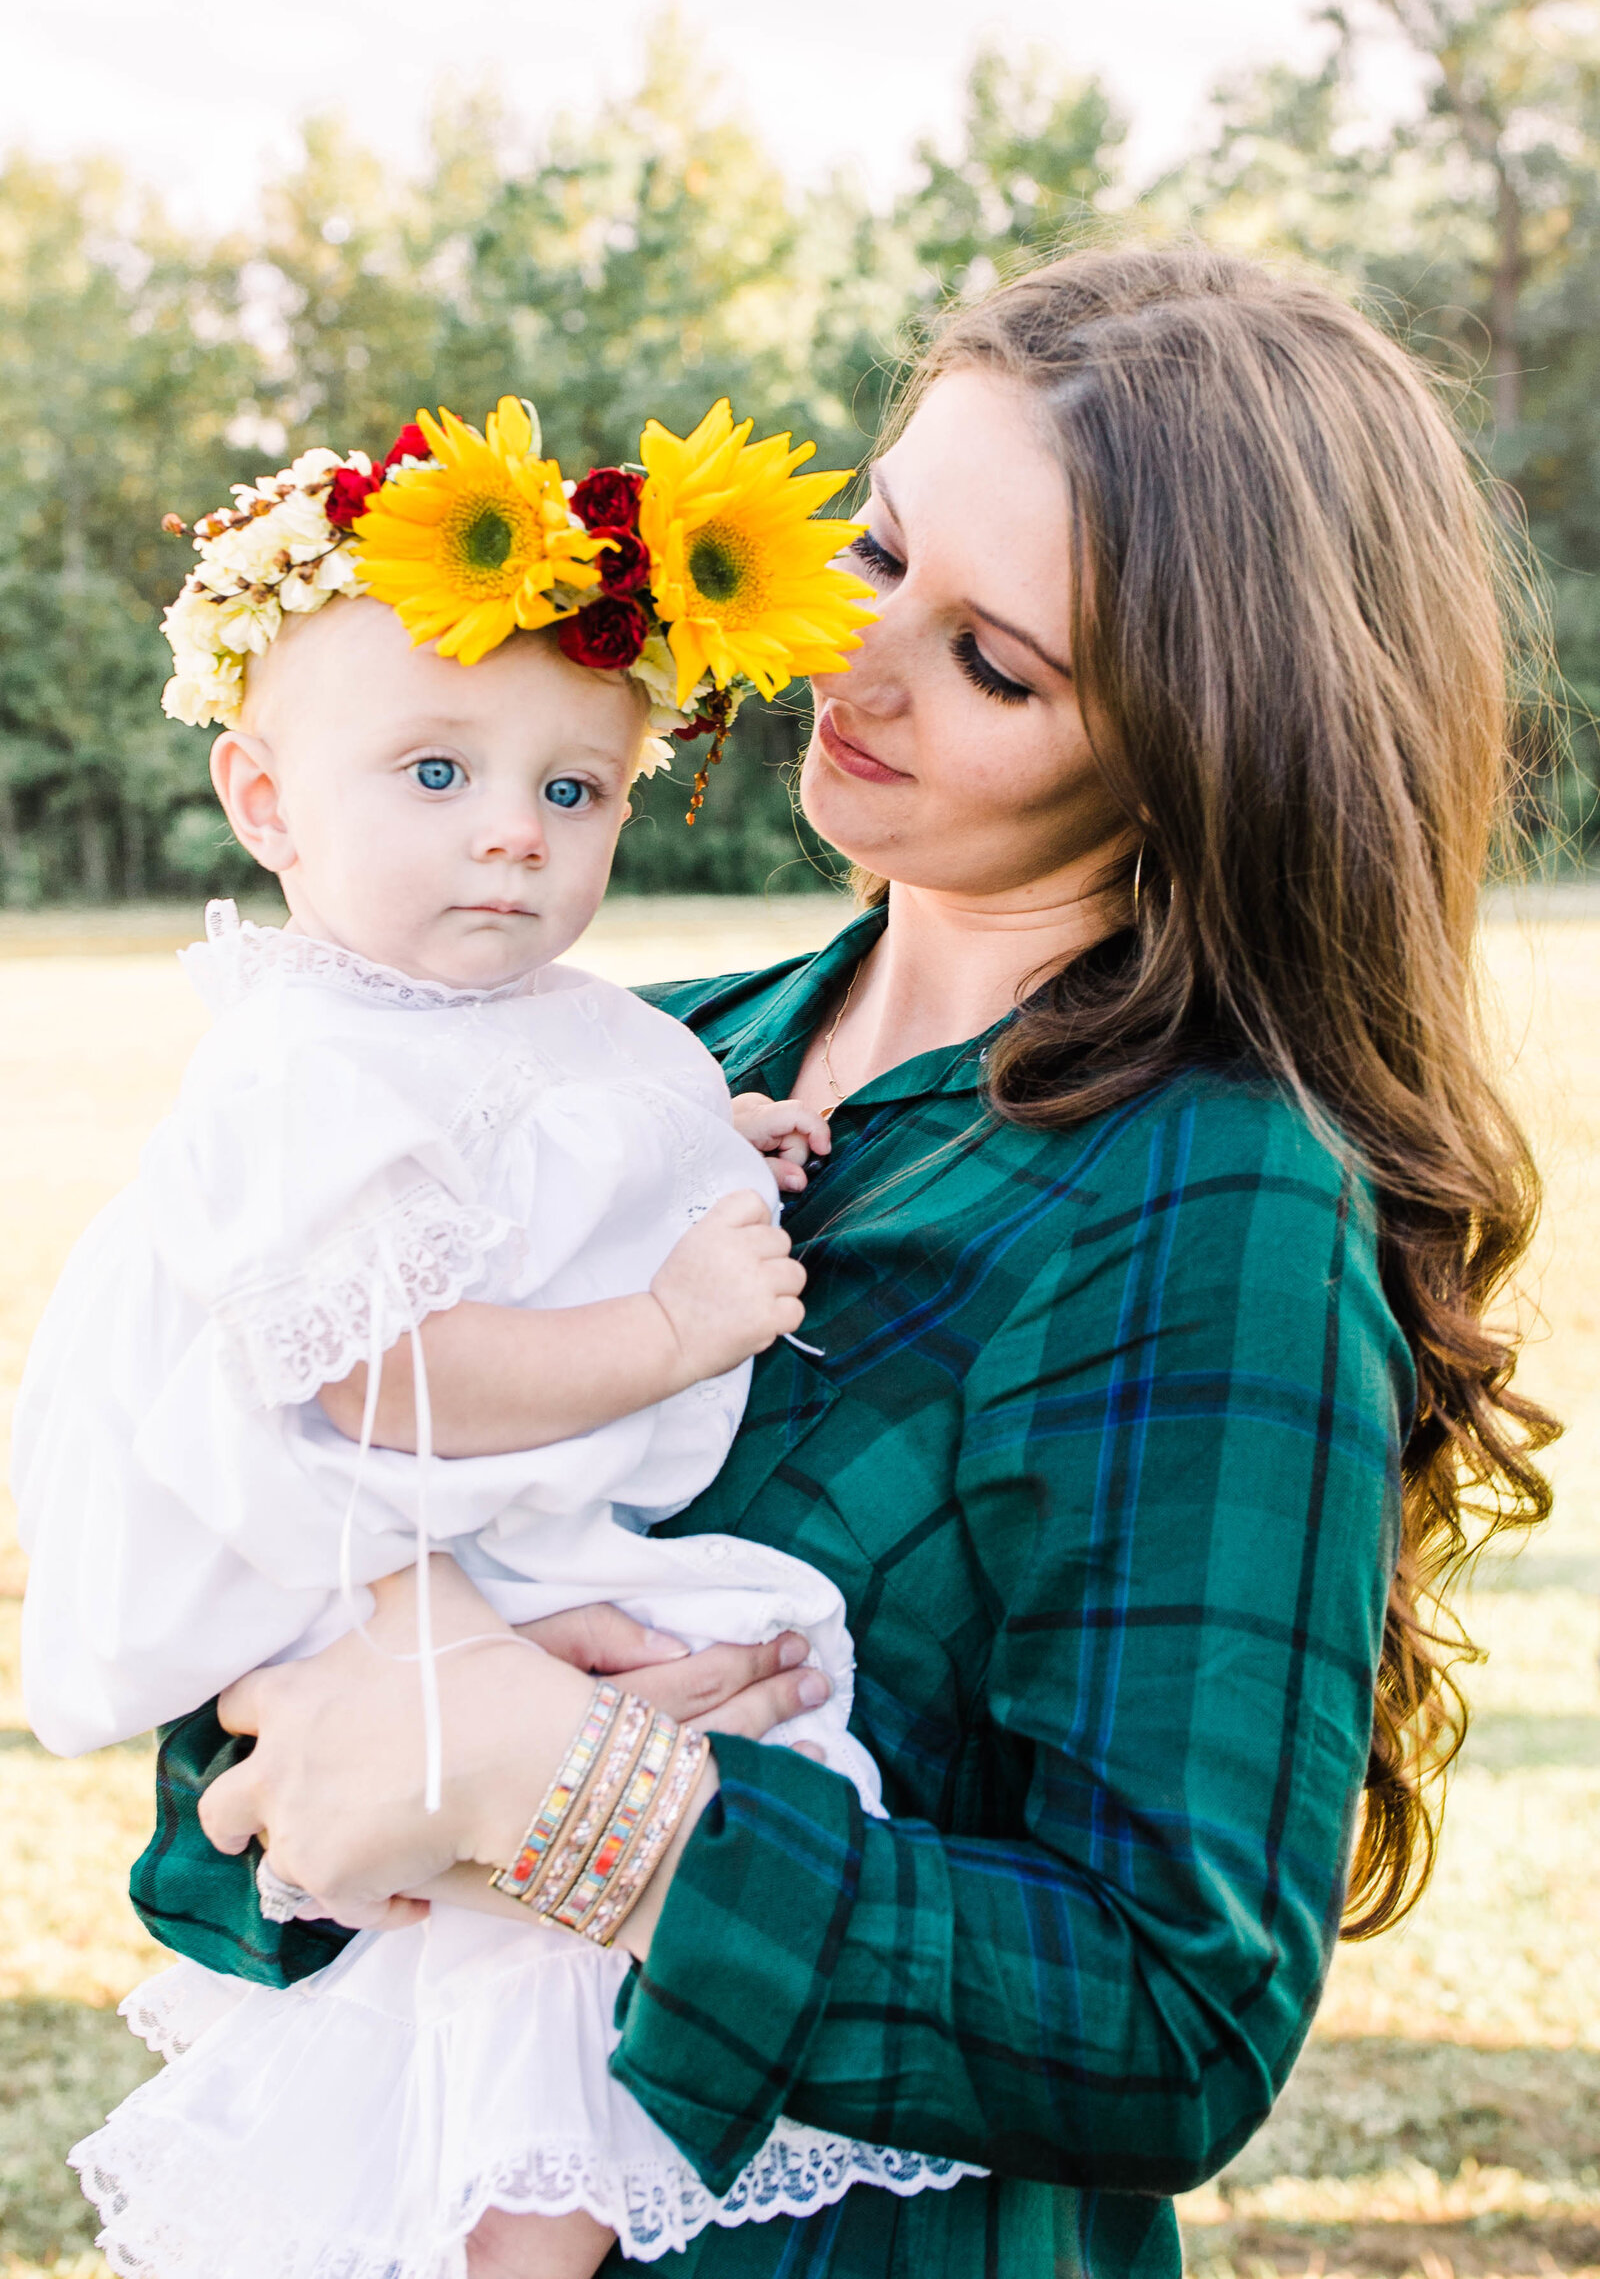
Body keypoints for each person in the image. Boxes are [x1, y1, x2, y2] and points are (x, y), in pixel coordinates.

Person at [95, 247, 1558, 2279]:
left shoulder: (1209, 1195)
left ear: (1202, 743)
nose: (851, 669)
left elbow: (1169, 2023)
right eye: (872, 553)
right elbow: (230, 1755)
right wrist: (353, 1712)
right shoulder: (642, 1051)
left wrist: (569, 1797)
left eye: (994, 663)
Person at [16, 400, 979, 2275]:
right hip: (341, 1536)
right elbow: (385, 1364)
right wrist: (663, 1324)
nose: (512, 846)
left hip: (489, 1542)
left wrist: (728, 1145)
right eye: (435, 774)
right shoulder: (307, 1058)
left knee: (728, 1729)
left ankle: (535, 2200)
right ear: (265, 800)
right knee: (521, 1881)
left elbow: (588, 1142)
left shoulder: (532, 1010)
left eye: (573, 793)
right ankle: (507, 2236)